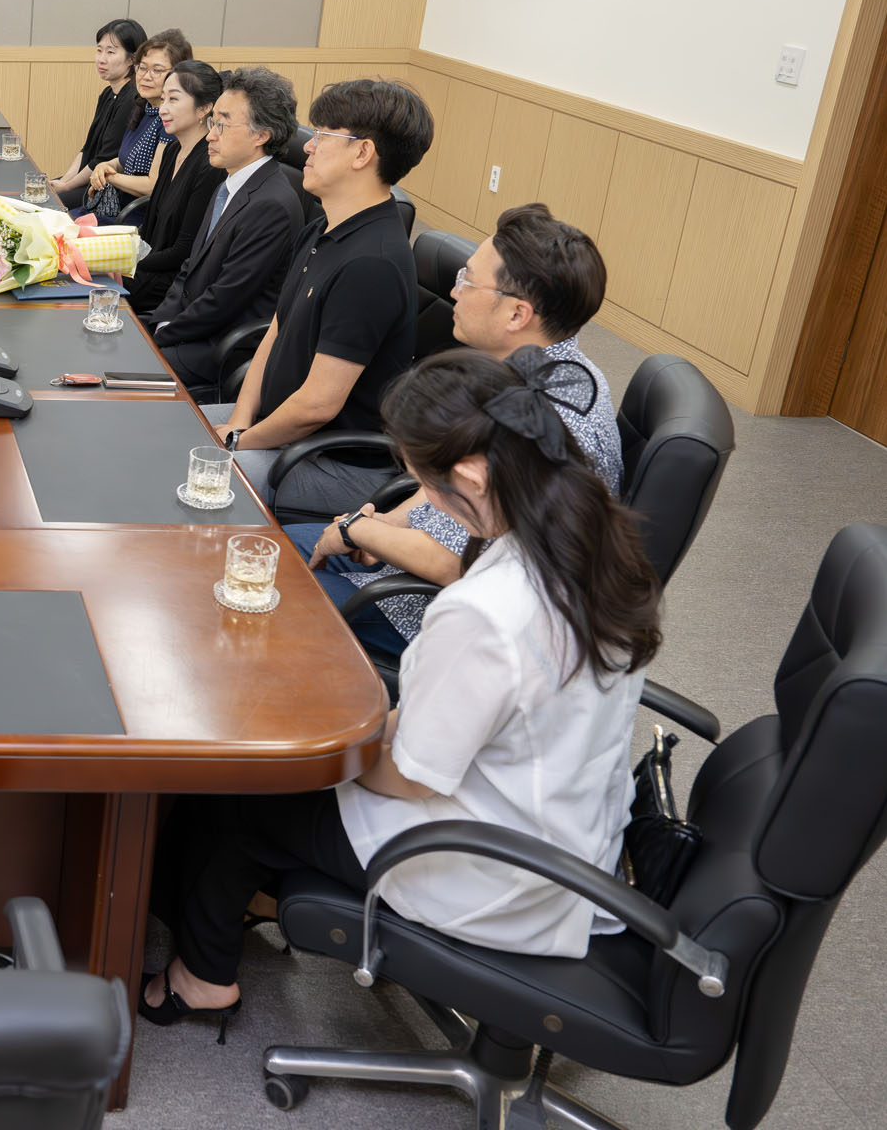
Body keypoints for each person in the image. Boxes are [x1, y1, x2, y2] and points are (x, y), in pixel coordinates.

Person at [141, 347, 662, 1036]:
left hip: (493, 867)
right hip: (569, 831)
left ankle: (202, 979)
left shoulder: (487, 612)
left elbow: (412, 777)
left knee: (244, 791)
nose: (418, 494)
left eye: (422, 480)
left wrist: (323, 753)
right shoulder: (594, 538)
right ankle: (253, 895)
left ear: (470, 475)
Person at [292, 204, 623, 656]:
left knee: (266, 582)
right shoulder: (546, 372)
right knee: (265, 545)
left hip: (432, 616)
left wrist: (359, 533)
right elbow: (448, 488)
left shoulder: (546, 416)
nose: (454, 291)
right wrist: (385, 524)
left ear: (517, 315)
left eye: (468, 280)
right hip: (408, 572)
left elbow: (459, 562)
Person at [207, 78, 434, 517]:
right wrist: (238, 422)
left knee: (186, 469)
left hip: (329, 462)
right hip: (276, 430)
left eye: (323, 136)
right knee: (168, 425)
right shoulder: (323, 227)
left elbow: (317, 407)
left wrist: (239, 442)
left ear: (362, 153)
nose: (308, 147)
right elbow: (277, 331)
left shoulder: (372, 264)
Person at [141, 68, 306, 385]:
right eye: (212, 122)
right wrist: (159, 323)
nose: (210, 135)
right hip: (191, 328)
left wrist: (160, 336)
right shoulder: (229, 184)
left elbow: (224, 300)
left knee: (118, 368)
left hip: (219, 347)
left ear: (261, 135)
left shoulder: (271, 205)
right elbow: (189, 270)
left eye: (222, 125)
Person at [123, 60, 225, 316]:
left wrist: (126, 261)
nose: (163, 109)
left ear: (204, 108)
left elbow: (183, 252)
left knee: (93, 281)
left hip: (174, 282)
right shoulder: (172, 149)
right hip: (150, 265)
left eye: (174, 99)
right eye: (163, 99)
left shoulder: (210, 165)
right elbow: (151, 228)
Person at [76, 29, 191, 223]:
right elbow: (125, 161)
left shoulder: (170, 121)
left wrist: (110, 177)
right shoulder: (144, 108)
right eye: (142, 67)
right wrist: (106, 166)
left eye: (157, 70)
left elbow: (152, 185)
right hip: (116, 206)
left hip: (135, 219)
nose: (146, 76)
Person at [49, 19, 147, 198]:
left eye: (110, 52)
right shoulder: (108, 93)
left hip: (106, 188)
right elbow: (87, 148)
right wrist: (65, 181)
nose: (101, 59)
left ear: (131, 59)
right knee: (42, 191)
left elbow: (104, 158)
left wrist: (68, 187)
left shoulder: (132, 99)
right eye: (99, 50)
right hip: (87, 179)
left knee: (47, 201)